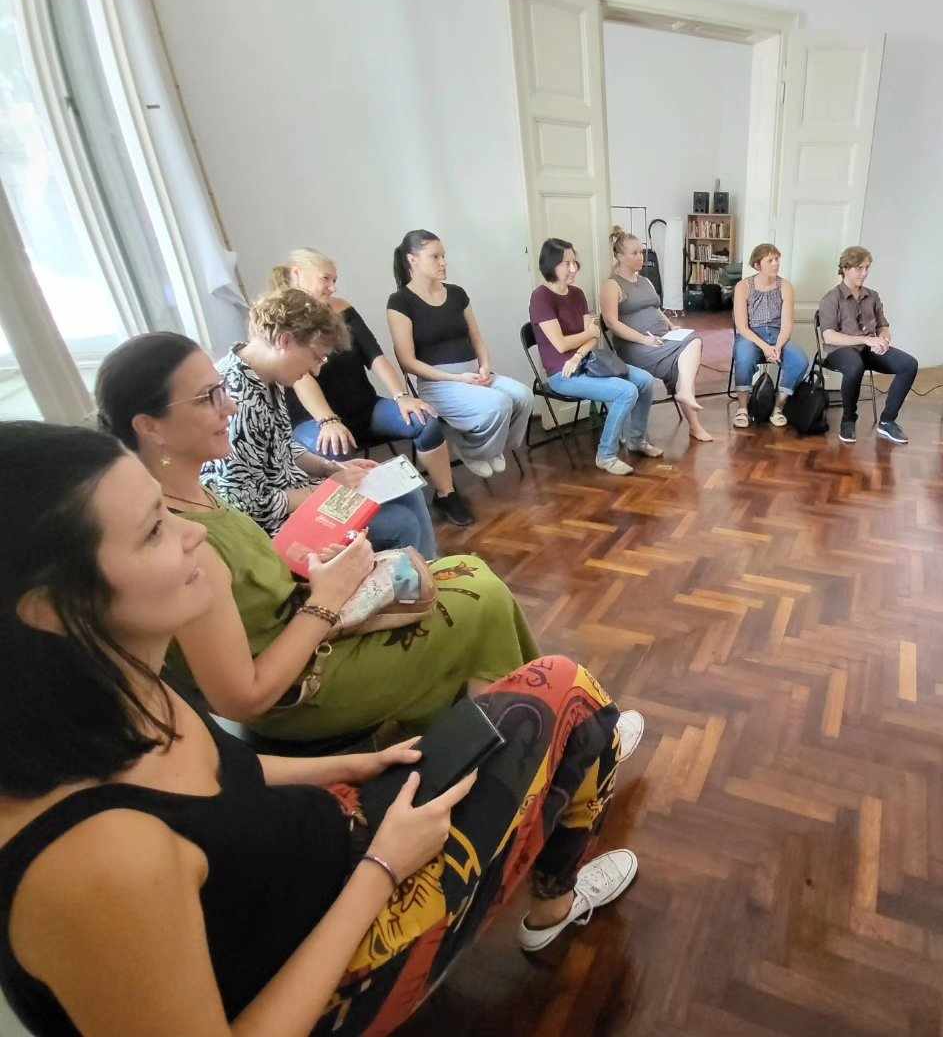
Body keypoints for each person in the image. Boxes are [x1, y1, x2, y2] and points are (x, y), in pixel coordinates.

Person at [0, 421, 645, 1036]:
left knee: (547, 686)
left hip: (335, 840)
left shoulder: (116, 686)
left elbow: (220, 779)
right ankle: (554, 903)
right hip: (344, 944)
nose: (191, 535)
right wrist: (384, 867)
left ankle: (570, 772)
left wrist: (348, 766)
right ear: (52, 606)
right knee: (573, 697)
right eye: (152, 532)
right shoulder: (92, 866)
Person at [92, 332, 572, 745]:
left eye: (222, 390)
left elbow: (252, 583)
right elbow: (244, 698)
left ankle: (497, 724)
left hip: (310, 630)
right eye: (207, 398)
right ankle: (524, 732)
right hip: (304, 690)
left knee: (467, 571)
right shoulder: (180, 542)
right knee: (482, 598)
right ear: (149, 427)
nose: (229, 406)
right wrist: (325, 599)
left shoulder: (195, 492)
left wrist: (318, 570)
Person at [200, 288, 438, 559]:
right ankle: (415, 578)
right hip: (276, 527)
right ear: (285, 341)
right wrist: (325, 490)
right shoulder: (238, 400)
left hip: (300, 494)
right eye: (316, 357)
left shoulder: (265, 375)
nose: (316, 369)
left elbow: (282, 446)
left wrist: (331, 468)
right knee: (401, 523)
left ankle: (429, 572)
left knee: (408, 492)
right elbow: (243, 502)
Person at [274, 248, 474, 528]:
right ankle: (363, 522)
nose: (332, 287)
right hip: (314, 420)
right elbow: (301, 378)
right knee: (334, 448)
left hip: (364, 408)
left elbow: (375, 356)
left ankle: (446, 494)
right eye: (325, 279)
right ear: (297, 274)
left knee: (425, 421)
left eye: (334, 280)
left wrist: (402, 397)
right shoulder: (284, 320)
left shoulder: (342, 309)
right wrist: (328, 421)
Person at [387, 229, 534, 480]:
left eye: (443, 256)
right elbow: (407, 362)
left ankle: (491, 448)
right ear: (412, 260)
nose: (443, 262)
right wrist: (457, 379)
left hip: (473, 375)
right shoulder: (400, 302)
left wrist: (484, 366)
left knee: (524, 396)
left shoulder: (457, 294)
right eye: (435, 257)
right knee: (499, 404)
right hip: (439, 384)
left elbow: (477, 337)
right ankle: (472, 451)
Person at [529, 237, 658, 475]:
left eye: (574, 262)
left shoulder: (577, 294)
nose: (573, 268)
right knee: (626, 391)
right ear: (550, 265)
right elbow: (560, 344)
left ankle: (636, 440)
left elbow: (594, 336)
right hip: (562, 374)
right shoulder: (541, 297)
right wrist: (587, 335)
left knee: (646, 381)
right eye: (566, 263)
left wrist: (578, 354)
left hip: (587, 362)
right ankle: (606, 455)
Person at [600, 226, 714, 442]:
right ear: (620, 256)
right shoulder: (611, 285)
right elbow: (611, 323)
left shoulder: (645, 281)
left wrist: (670, 326)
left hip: (661, 339)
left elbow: (656, 308)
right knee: (682, 360)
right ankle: (693, 420)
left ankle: (686, 397)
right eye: (634, 253)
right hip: (635, 347)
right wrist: (644, 339)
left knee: (693, 340)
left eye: (641, 252)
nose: (640, 257)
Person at [816, 245, 919, 445]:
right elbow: (829, 337)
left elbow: (883, 326)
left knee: (909, 364)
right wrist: (865, 340)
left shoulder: (873, 296)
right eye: (859, 268)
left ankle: (887, 421)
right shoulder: (831, 298)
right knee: (855, 366)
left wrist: (883, 340)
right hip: (839, 351)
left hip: (868, 350)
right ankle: (848, 419)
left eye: (867, 268)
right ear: (845, 269)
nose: (864, 273)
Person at [731, 243, 806, 429]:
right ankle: (742, 408)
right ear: (757, 265)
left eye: (777, 259)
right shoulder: (743, 286)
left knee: (800, 360)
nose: (776, 264)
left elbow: (787, 324)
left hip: (777, 335)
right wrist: (765, 347)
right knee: (743, 356)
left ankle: (778, 408)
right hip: (751, 335)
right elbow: (742, 327)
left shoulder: (785, 286)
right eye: (770, 260)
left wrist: (778, 347)